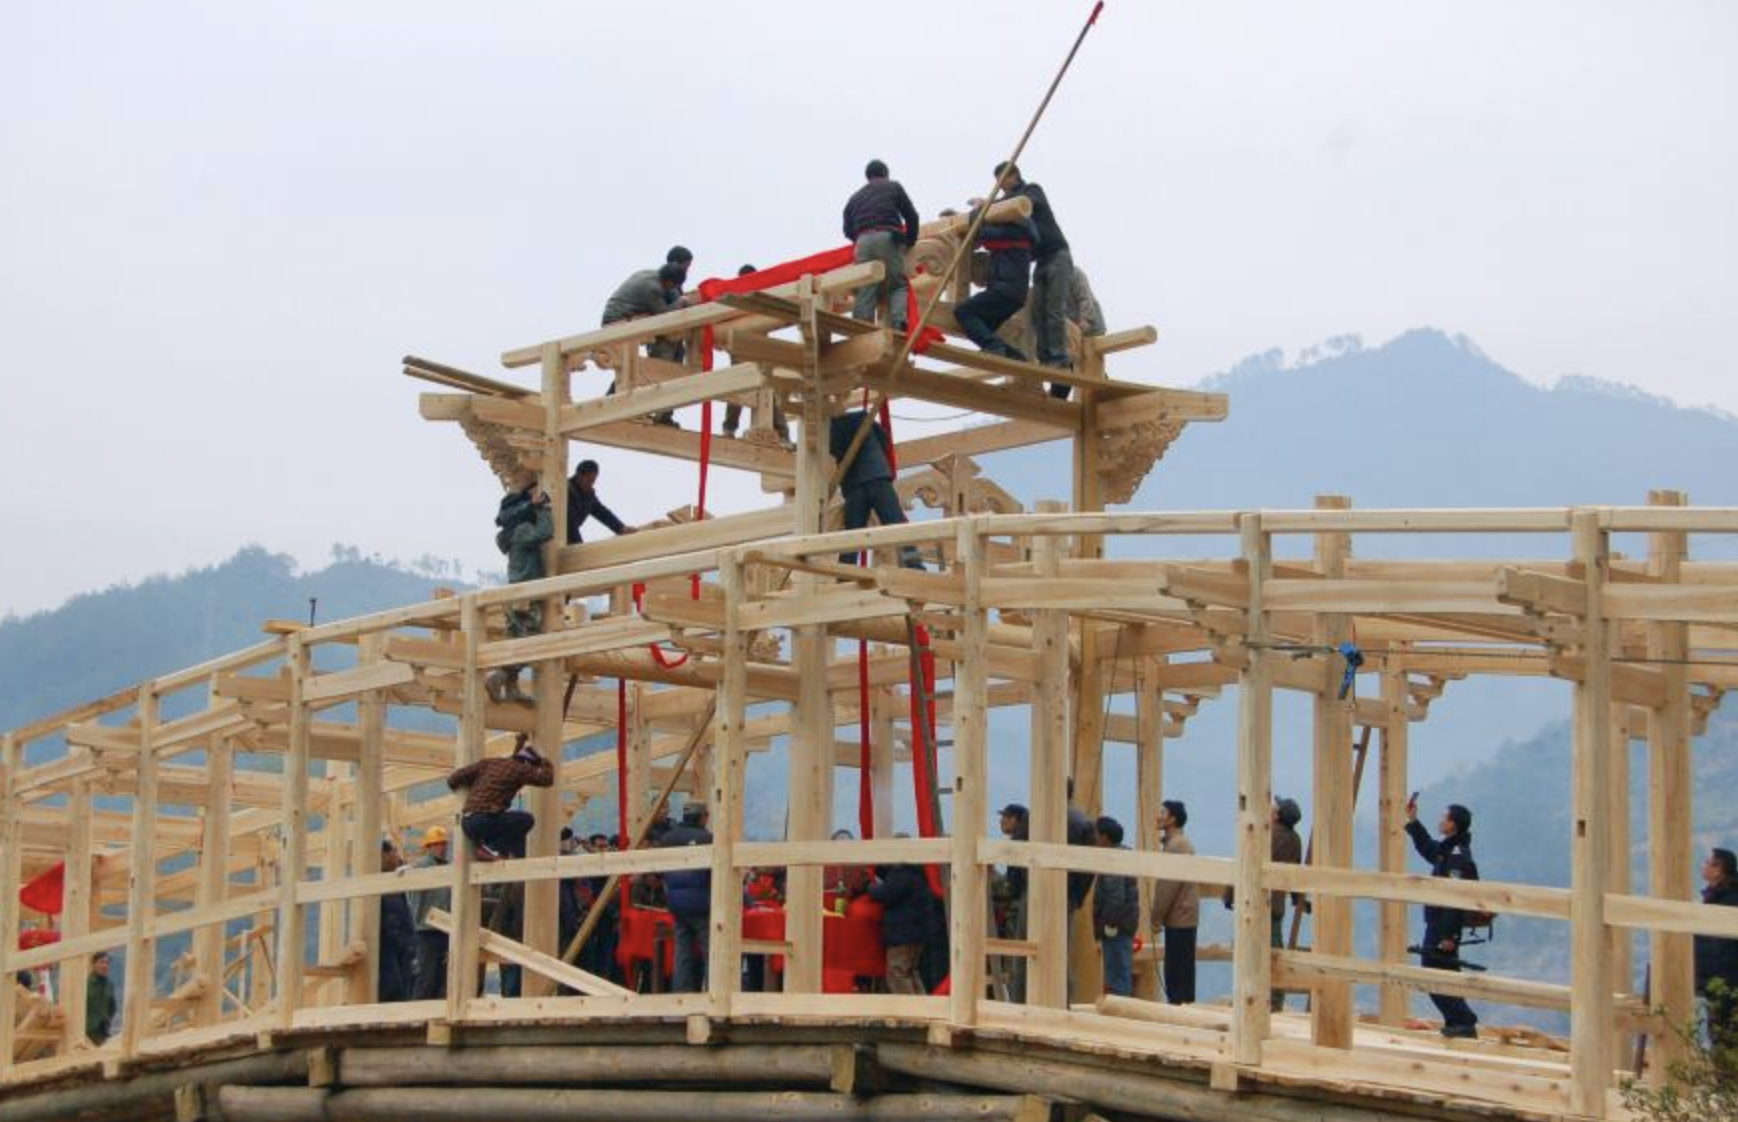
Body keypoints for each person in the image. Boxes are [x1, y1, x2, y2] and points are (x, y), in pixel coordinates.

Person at [994, 162, 1074, 397]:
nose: (1000, 187)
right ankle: (1047, 358)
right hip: (1041, 261)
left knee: (1054, 310)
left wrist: (992, 204)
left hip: (1057, 256)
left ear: (1013, 176)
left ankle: (1058, 357)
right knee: (1038, 311)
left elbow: (1024, 204)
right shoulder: (1010, 200)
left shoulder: (1032, 191)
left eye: (1002, 180)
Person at [1404, 797, 1481, 1038]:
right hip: (1439, 923)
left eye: (1443, 818)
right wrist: (1413, 821)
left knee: (1433, 970)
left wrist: (1450, 935)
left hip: (1444, 926)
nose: (1440, 821)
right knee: (1443, 972)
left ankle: (1464, 1021)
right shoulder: (1449, 850)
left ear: (1453, 824)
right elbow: (1429, 848)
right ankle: (1458, 1022)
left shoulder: (1458, 856)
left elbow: (1455, 900)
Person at [1222, 796, 1306, 1011]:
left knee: (1250, 951)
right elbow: (1295, 874)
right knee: (1274, 953)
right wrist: (1298, 899)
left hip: (1252, 902)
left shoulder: (1264, 835)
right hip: (1275, 907)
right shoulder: (1296, 840)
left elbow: (1244, 864)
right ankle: (1274, 1000)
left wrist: (1230, 894)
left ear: (1276, 816)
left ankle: (1251, 998)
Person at [485, 479, 554, 705]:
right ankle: (499, 675)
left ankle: (512, 687)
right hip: (526, 593)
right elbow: (546, 531)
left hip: (515, 593)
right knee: (531, 642)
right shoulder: (522, 530)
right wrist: (542, 508)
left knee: (516, 639)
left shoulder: (509, 534)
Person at [828, 410, 921, 569]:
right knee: (897, 524)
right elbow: (884, 439)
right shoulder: (862, 419)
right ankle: (914, 565)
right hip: (877, 476)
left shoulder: (830, 429)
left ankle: (844, 573)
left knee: (852, 534)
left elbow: (833, 450)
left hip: (855, 484)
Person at [601, 262, 689, 424]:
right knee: (631, 368)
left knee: (630, 368)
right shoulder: (653, 288)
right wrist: (680, 302)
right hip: (617, 321)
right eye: (674, 286)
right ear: (670, 282)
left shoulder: (648, 274)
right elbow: (663, 315)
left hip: (623, 317)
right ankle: (610, 407)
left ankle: (610, 405)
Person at [953, 201, 1037, 363]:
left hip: (1004, 291)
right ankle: (1016, 358)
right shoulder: (1022, 235)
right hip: (1015, 295)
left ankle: (994, 347)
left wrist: (978, 210)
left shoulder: (1011, 232)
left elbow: (982, 232)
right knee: (982, 329)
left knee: (963, 312)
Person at [447, 735, 556, 860]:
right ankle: (491, 849)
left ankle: (498, 852)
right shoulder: (520, 770)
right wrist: (544, 761)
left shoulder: (490, 763)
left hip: (468, 823)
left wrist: (520, 742)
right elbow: (547, 779)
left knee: (511, 826)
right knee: (525, 820)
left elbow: (454, 778)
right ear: (527, 764)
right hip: (485, 822)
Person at [843, 159, 920, 332]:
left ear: (867, 176)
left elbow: (847, 230)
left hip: (863, 242)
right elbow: (912, 216)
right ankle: (899, 322)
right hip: (887, 236)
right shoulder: (893, 187)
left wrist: (862, 238)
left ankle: (860, 327)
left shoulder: (855, 198)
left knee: (866, 284)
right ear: (885, 173)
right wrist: (910, 241)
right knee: (898, 284)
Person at [658, 802, 714, 993]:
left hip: (676, 904)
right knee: (711, 953)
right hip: (702, 903)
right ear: (703, 816)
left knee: (682, 953)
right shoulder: (708, 839)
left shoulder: (668, 838)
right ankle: (713, 993)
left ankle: (681, 995)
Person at [1149, 799, 1199, 1004]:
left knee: (1176, 974)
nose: (1158, 816)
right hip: (1184, 916)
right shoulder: (1180, 844)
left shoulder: (1176, 846)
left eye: (1163, 812)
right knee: (1183, 971)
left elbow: (1166, 887)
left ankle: (1178, 1011)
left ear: (1172, 819)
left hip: (1179, 918)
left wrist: (1155, 918)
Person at [869, 845, 933, 995]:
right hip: (916, 932)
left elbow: (886, 893)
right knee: (911, 971)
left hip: (903, 934)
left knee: (897, 973)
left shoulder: (902, 874)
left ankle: (908, 1008)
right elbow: (891, 879)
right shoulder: (914, 872)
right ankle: (923, 1006)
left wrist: (869, 888)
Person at [1695, 846, 1738, 1040]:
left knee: (1725, 1036)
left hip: (1724, 982)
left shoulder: (1727, 901)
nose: (1703, 866)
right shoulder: (1717, 898)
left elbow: (1720, 948)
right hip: (1718, 982)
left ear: (1718, 870)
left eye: (1707, 863)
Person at [1094, 816, 1139, 998]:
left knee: (1116, 975)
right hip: (1123, 924)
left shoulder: (1113, 861)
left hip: (1116, 927)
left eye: (1096, 835)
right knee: (1120, 972)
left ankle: (1119, 1008)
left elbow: (1115, 899)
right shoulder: (1123, 856)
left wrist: (1107, 926)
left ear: (1104, 837)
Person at [410, 826, 453, 1000]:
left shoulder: (449, 868)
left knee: (442, 979)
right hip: (426, 931)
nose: (442, 847)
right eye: (437, 844)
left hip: (445, 930)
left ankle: (437, 1011)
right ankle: (418, 1012)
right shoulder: (422, 867)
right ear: (428, 847)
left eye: (443, 844)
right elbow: (414, 897)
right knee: (426, 978)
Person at [996, 804, 1030, 1003]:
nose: (1001, 821)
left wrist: (1001, 892)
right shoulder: (1022, 839)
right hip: (1019, 904)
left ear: (1017, 820)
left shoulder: (1019, 842)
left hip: (1018, 907)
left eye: (1006, 817)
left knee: (1015, 958)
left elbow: (1015, 882)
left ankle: (1017, 1001)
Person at [378, 838, 416, 1002]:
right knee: (392, 987)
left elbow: (405, 913)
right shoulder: (377, 882)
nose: (398, 857)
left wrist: (410, 941)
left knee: (405, 986)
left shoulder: (395, 881)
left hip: (402, 944)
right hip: (387, 945)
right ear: (384, 855)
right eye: (394, 852)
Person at [566, 459, 633, 545]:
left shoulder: (589, 496)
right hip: (559, 535)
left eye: (593, 480)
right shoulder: (566, 491)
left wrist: (621, 528)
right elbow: (569, 522)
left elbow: (602, 513)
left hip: (569, 537)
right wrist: (578, 544)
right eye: (588, 480)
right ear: (579, 476)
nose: (591, 484)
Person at [86, 951, 117, 1045]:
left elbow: (112, 1007)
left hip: (102, 1032)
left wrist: (107, 1020)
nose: (105, 965)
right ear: (93, 964)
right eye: (102, 962)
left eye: (107, 963)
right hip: (86, 1032)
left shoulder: (110, 985)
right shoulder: (85, 983)